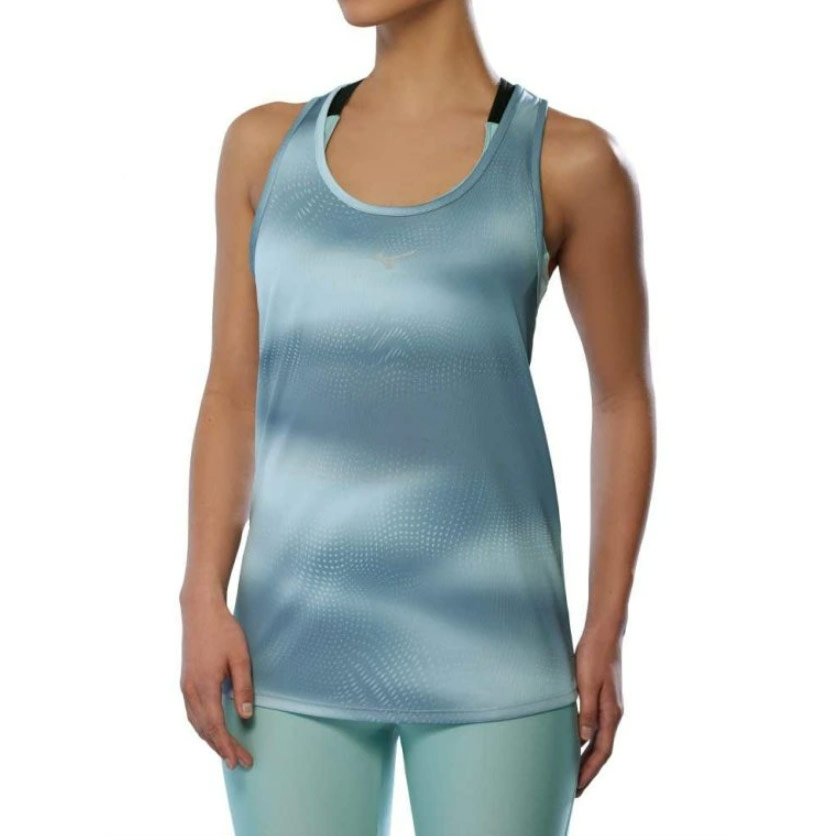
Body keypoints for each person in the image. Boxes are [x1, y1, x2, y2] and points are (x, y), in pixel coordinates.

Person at [179, 1, 655, 833]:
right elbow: (230, 391)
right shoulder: (263, 150)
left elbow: (622, 399)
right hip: (286, 648)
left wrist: (606, 627)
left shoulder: (568, 161)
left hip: (498, 647)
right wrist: (200, 595)